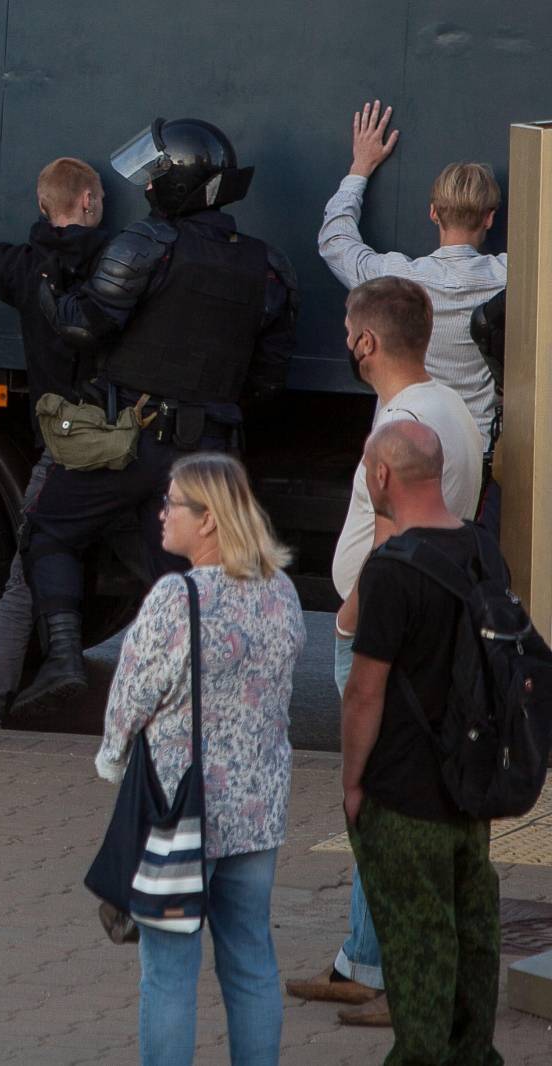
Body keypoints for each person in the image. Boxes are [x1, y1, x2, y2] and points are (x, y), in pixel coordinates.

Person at [21, 116, 299, 711]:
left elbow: (81, 324)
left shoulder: (146, 244)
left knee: (48, 531)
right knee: (185, 578)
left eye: (154, 176)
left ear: (175, 185)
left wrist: (42, 277)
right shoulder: (270, 266)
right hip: (213, 455)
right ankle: (199, 696)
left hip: (134, 443)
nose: (147, 186)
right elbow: (269, 380)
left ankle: (65, 659)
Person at [286, 277, 481, 1024]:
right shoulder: (442, 408)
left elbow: (396, 541)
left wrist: (347, 623)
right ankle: (359, 963)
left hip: (384, 631)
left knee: (382, 803)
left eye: (346, 328)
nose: (344, 340)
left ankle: (403, 979)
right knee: (378, 809)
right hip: (420, 624)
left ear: (365, 342)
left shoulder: (399, 431)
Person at [96, 453, 305, 1066]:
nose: (162, 514)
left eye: (173, 504)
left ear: (208, 519)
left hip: (177, 818)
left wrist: (112, 761)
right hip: (256, 814)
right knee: (252, 961)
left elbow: (130, 696)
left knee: (168, 973)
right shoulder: (282, 592)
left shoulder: (176, 595)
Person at [0, 82, 113, 726]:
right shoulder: (127, 263)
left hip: (62, 444)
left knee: (27, 568)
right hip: (136, 439)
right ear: (89, 202)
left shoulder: (20, 269)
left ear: (42, 205)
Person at [342, 420, 505, 1065]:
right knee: (474, 933)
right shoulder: (484, 551)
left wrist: (352, 782)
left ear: (382, 475)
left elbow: (363, 693)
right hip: (471, 785)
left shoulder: (388, 570)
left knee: (419, 943)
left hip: (404, 792)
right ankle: (474, 1055)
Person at [317, 101, 506, 456]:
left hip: (403, 447)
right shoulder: (513, 278)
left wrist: (359, 169)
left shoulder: (396, 281)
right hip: (474, 450)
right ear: (489, 218)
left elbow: (334, 242)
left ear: (433, 212)